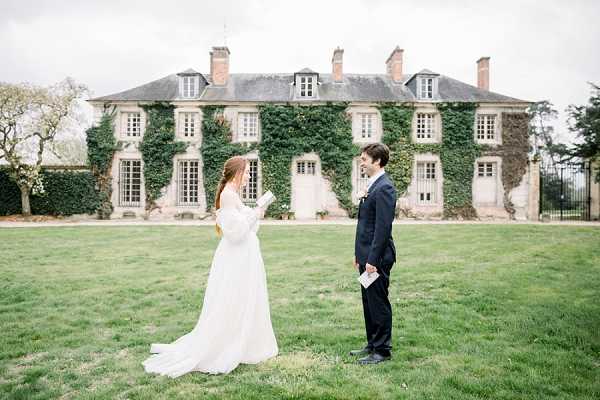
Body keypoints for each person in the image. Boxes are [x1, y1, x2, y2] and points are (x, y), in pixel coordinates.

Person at [142, 156, 278, 377]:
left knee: (245, 298)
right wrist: (255, 213)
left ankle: (245, 342)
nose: (250, 176)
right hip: (236, 257)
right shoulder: (227, 197)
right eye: (248, 172)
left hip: (244, 256)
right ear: (238, 173)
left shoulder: (234, 196)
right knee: (231, 298)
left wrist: (256, 213)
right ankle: (226, 344)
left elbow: (247, 228)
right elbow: (235, 233)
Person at [350, 143, 397, 365]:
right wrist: (358, 255)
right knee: (368, 302)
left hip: (376, 259)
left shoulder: (384, 187)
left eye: (364, 159)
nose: (361, 162)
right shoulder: (372, 185)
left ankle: (382, 350)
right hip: (366, 257)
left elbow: (382, 228)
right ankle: (372, 344)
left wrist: (372, 261)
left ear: (377, 162)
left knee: (378, 303)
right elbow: (364, 226)